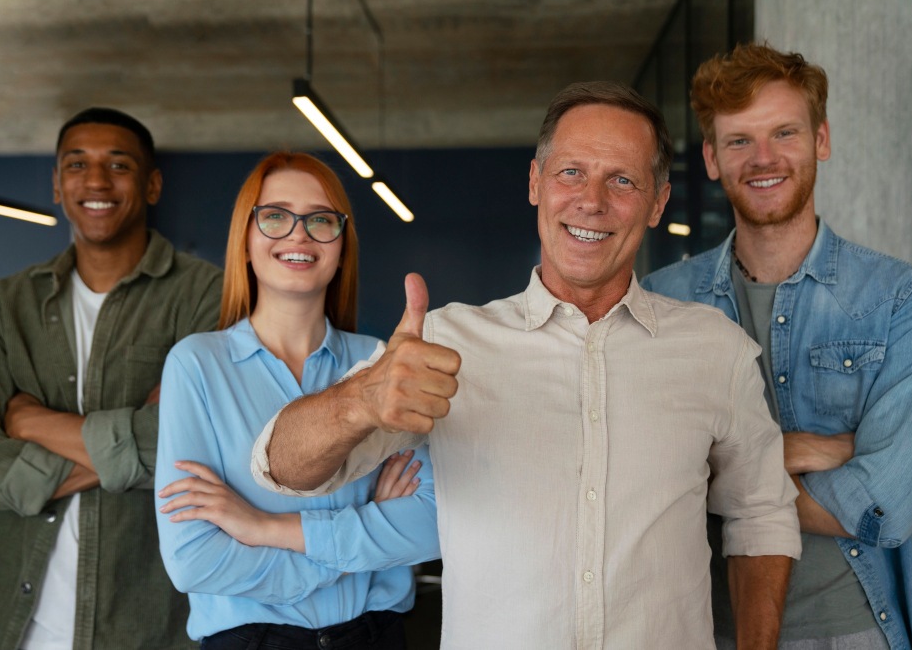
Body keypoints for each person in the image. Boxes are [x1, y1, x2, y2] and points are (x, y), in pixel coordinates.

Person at [248, 82, 802, 649]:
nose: (592, 200)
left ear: (658, 203)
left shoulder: (716, 349)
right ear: (535, 182)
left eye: (622, 179)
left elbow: (761, 516)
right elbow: (282, 467)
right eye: (570, 173)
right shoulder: (444, 342)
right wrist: (360, 399)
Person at [642, 43, 912, 650]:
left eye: (784, 132)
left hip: (854, 632)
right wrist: (798, 449)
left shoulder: (903, 301)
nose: (763, 158)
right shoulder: (659, 302)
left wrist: (711, 467)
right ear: (712, 158)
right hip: (696, 630)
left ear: (820, 140)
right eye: (740, 140)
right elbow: (641, 479)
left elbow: (886, 505)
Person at [0, 107, 223, 650]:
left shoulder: (209, 297)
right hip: (4, 622)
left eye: (118, 165)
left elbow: (203, 446)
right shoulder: (4, 306)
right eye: (76, 165)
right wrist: (137, 436)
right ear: (55, 184)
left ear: (153, 185)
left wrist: (31, 421)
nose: (95, 181)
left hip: (152, 621)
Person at [153, 151, 439, 649]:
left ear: (341, 246)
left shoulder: (378, 363)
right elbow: (193, 560)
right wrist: (359, 547)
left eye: (321, 220)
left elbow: (428, 527)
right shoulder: (196, 365)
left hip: (374, 638)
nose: (299, 234)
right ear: (245, 239)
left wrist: (263, 527)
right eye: (275, 216)